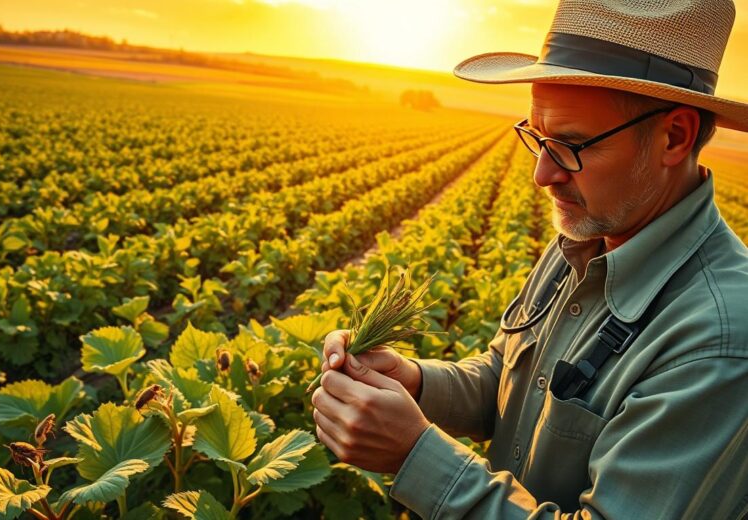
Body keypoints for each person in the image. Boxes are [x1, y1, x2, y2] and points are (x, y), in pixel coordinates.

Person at [310, 0, 748, 518]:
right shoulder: (588, 237)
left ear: (673, 137)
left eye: (569, 145)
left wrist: (414, 455)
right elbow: (510, 379)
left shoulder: (719, 342)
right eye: (537, 137)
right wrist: (416, 383)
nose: (542, 174)